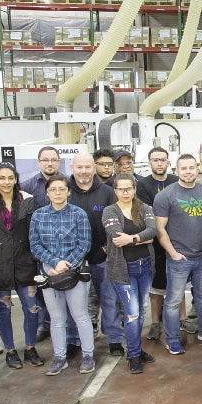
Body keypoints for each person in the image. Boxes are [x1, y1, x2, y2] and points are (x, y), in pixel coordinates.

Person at [154, 154, 202, 354]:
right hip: (179, 258)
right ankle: (172, 339)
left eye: (192, 168)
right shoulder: (165, 196)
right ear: (177, 170)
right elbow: (160, 229)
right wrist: (173, 253)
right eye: (183, 168)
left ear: (197, 169)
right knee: (173, 301)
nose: (188, 171)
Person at [0, 163, 44, 369]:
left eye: (10, 178)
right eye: (2, 178)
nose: (7, 182)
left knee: (32, 308)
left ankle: (31, 348)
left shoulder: (27, 200)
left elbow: (35, 232)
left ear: (16, 179)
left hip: (25, 264)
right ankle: (10, 351)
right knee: (3, 309)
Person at [29, 176, 94, 375]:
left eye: (61, 189)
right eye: (53, 189)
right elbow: (35, 245)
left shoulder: (78, 214)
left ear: (68, 192)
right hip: (49, 273)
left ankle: (88, 356)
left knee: (81, 315)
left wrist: (66, 265)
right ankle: (60, 358)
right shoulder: (38, 216)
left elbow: (84, 243)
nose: (57, 193)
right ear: (47, 193)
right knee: (57, 319)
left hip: (75, 273)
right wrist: (53, 263)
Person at [102, 175, 159, 373]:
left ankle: (137, 349)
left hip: (145, 268)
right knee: (133, 313)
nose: (125, 193)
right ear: (115, 191)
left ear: (134, 189)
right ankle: (133, 355)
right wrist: (142, 239)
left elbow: (152, 231)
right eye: (121, 189)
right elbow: (117, 237)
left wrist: (133, 238)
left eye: (129, 188)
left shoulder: (145, 208)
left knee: (141, 310)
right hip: (123, 270)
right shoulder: (110, 211)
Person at [69, 152, 123, 356]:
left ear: (94, 168)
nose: (83, 171)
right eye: (79, 167)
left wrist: (108, 248)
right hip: (74, 259)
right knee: (75, 304)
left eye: (87, 167)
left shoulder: (108, 192)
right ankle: (74, 341)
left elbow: (118, 221)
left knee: (109, 300)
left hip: (102, 257)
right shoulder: (65, 191)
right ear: (72, 168)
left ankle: (115, 339)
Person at [136, 147, 179, 341]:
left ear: (168, 162)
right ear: (149, 163)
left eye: (163, 160)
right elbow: (148, 212)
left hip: (176, 238)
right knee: (156, 284)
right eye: (155, 160)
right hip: (153, 241)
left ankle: (182, 318)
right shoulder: (143, 185)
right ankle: (155, 322)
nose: (159, 163)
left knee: (178, 281)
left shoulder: (175, 182)